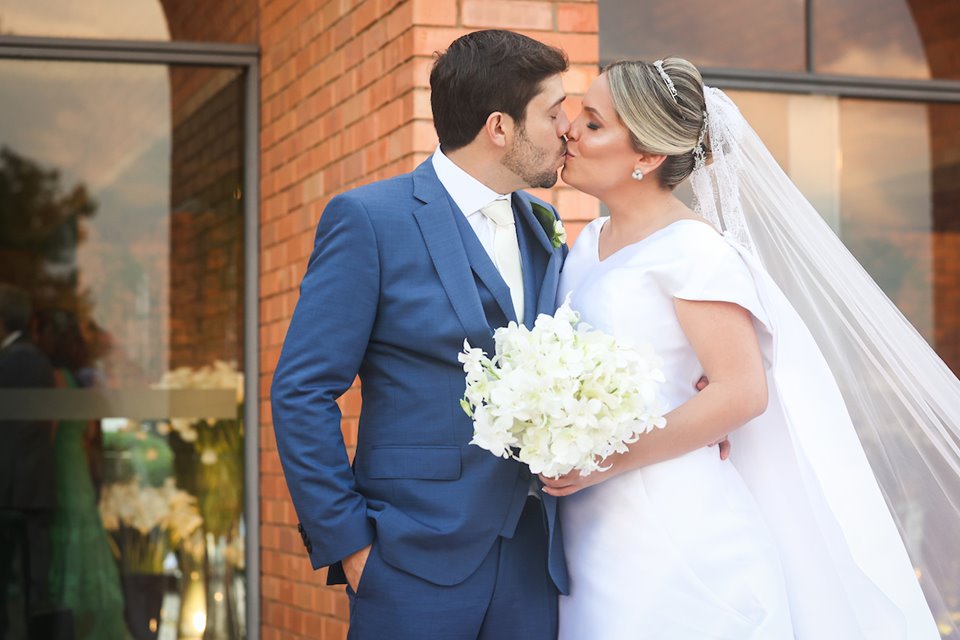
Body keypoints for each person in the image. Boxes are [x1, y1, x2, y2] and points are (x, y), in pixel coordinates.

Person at [543, 58, 954, 638]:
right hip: (588, 523)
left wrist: (606, 459)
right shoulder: (585, 247)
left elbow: (740, 392)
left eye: (592, 123)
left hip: (669, 520)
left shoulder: (692, 251)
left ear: (647, 157)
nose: (569, 133)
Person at [271, 30, 572, 639]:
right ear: (499, 127)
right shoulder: (369, 220)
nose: (567, 128)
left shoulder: (544, 223)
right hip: (408, 558)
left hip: (532, 557)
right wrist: (351, 546)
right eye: (553, 112)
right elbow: (301, 390)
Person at [35, 308, 130, 640]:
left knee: (65, 535)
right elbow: (91, 432)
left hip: (62, 463)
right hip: (77, 461)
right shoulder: (82, 381)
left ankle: (69, 618)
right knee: (85, 531)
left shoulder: (58, 378)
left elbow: (50, 429)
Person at [0, 284, 56, 639]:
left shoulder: (7, 362)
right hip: (36, 485)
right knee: (37, 579)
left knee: (6, 577)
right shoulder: (39, 361)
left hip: (6, 487)